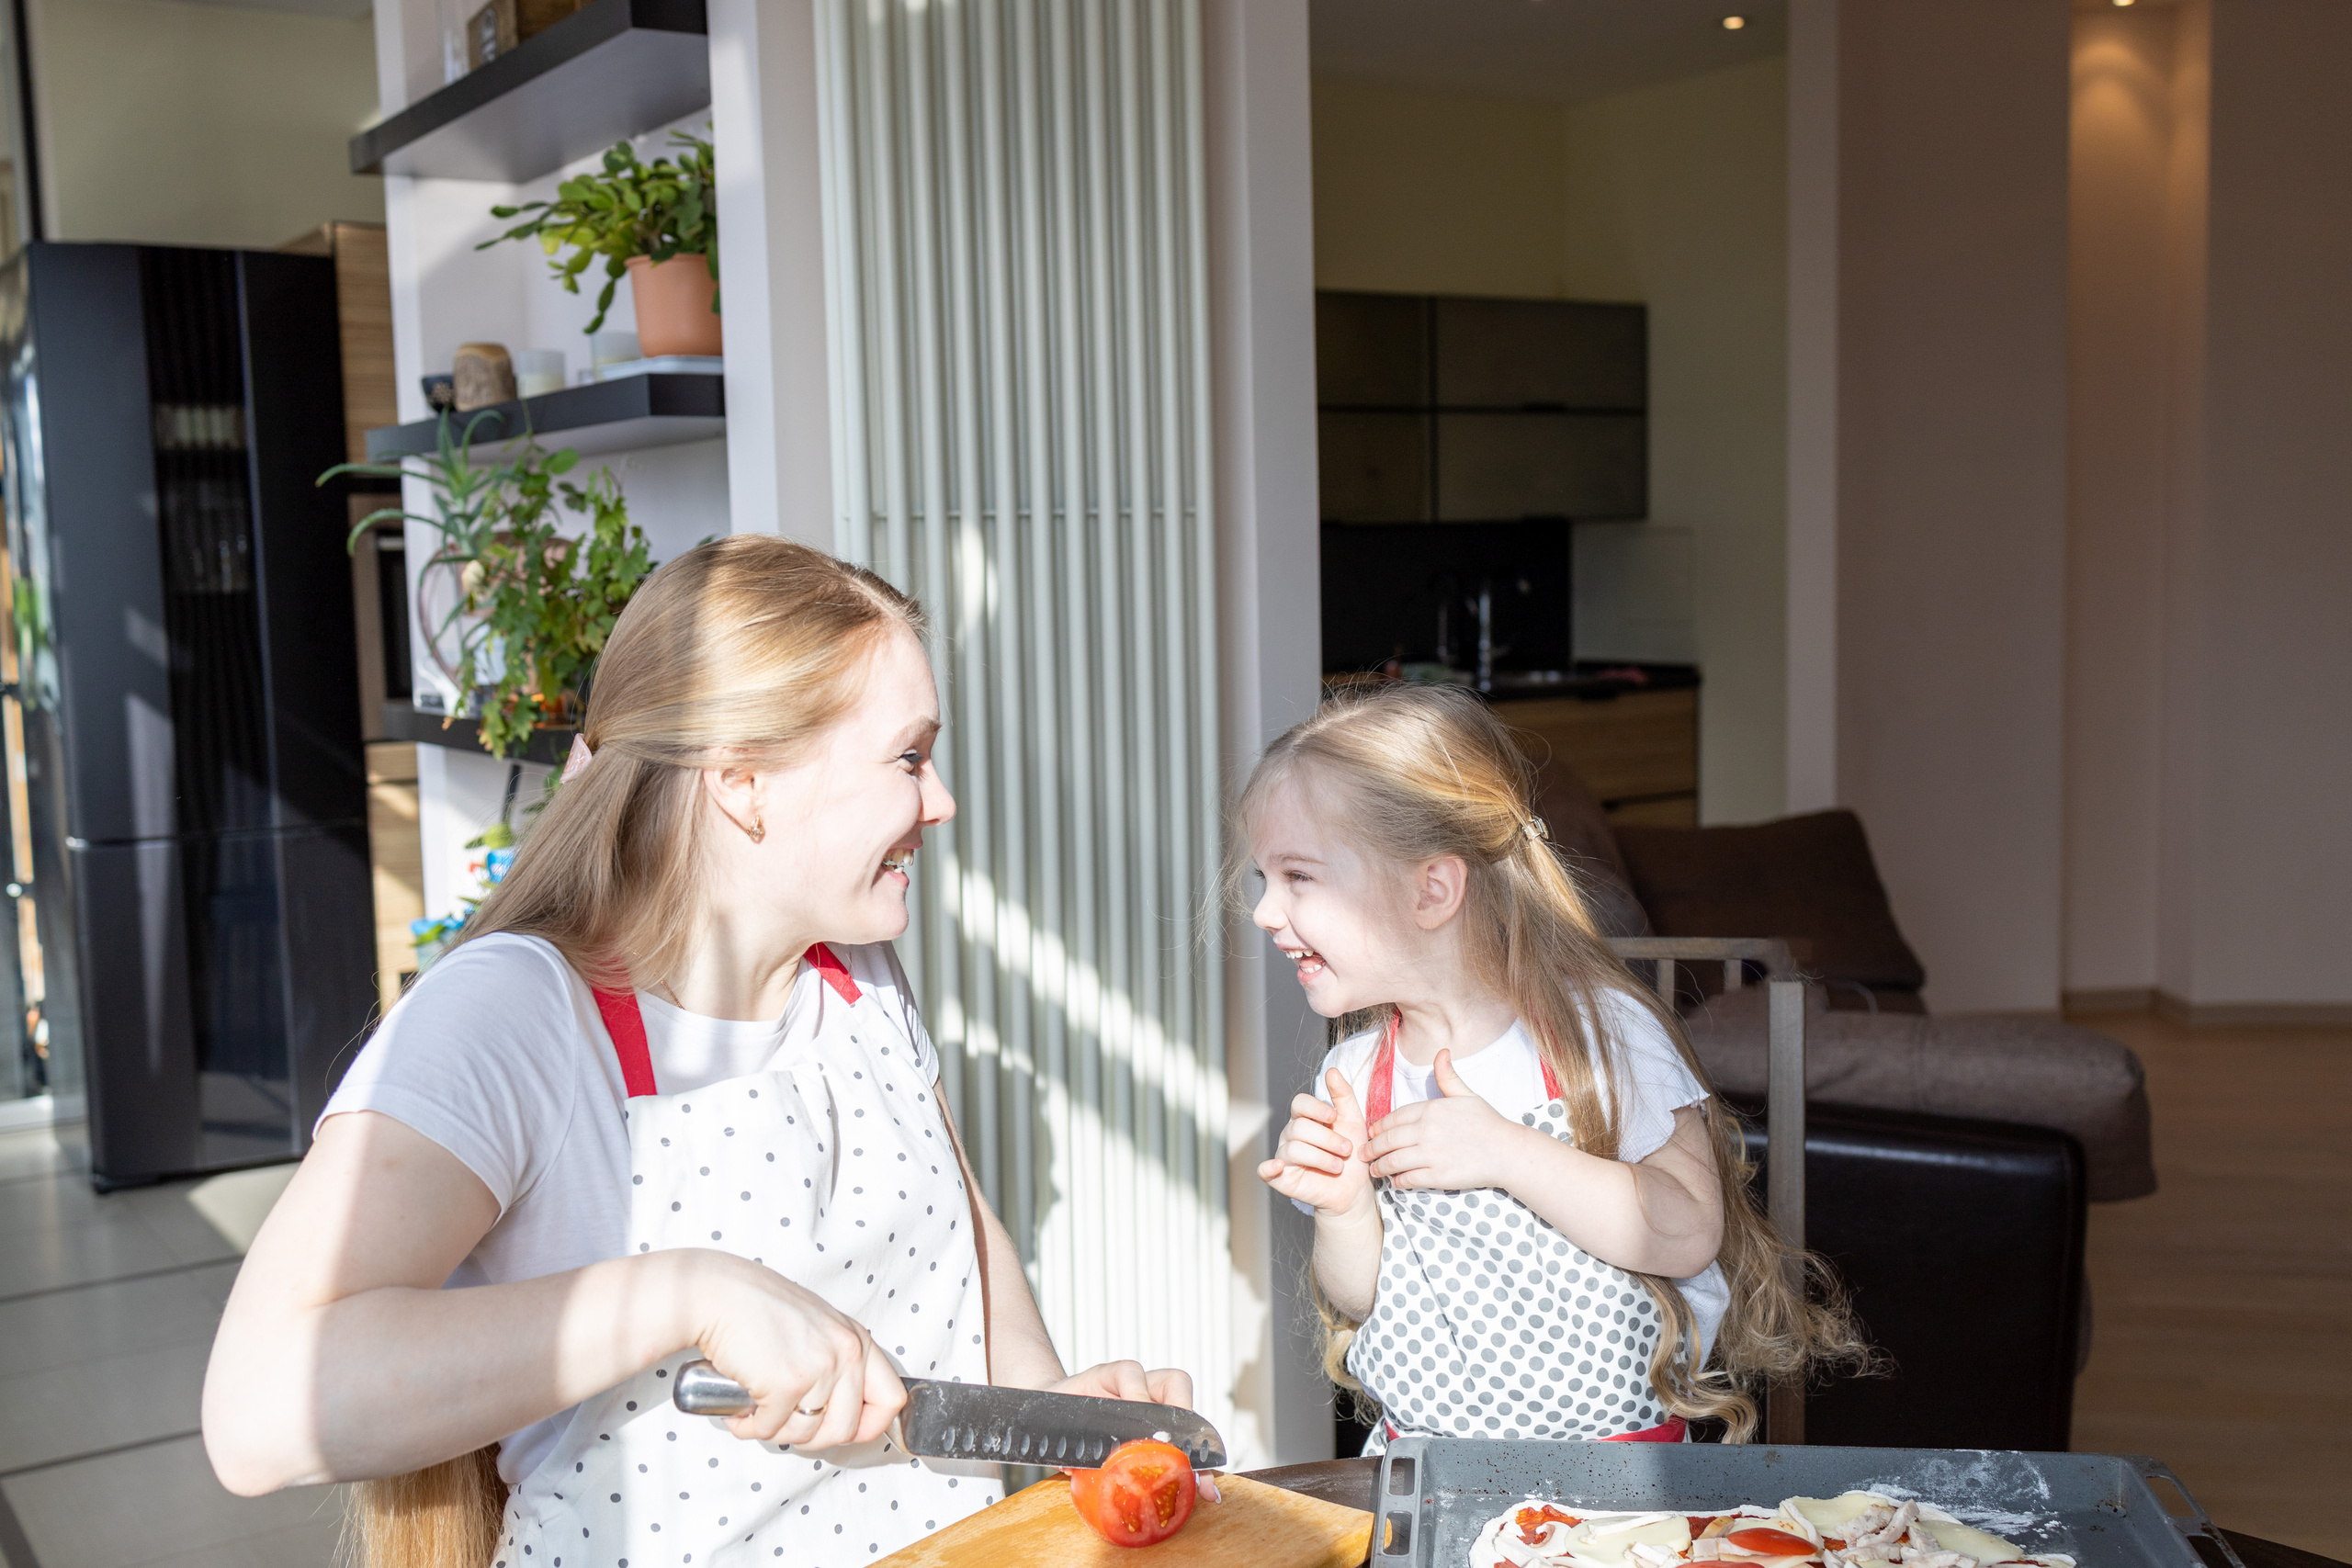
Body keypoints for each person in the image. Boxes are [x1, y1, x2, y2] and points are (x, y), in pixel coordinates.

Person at [202, 536, 1191, 1568]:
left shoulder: (856, 983)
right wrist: (690, 1292)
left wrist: (1045, 1411)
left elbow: (964, 1243)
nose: (938, 802)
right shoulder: (514, 1014)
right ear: (742, 781)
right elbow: (260, 1410)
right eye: (908, 756)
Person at [1244, 683, 1867, 1445]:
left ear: (1432, 888)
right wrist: (1345, 1210)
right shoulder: (1356, 1070)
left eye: (1298, 876)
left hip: (1611, 1485)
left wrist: (1508, 1152)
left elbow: (1688, 1231)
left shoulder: (1598, 1034)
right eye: (1263, 880)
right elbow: (1365, 1296)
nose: (1265, 912)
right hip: (1426, 1469)